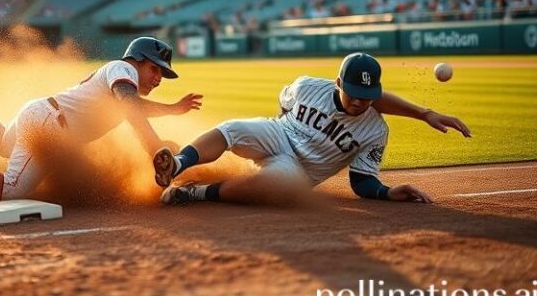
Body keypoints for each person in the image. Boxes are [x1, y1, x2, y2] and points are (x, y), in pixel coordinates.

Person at [0, 37, 202, 214]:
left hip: (41, 113)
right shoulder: (123, 70)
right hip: (49, 125)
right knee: (13, 193)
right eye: (155, 69)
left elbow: (132, 105)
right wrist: (155, 148)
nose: (159, 77)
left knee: (4, 146)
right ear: (137, 60)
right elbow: (131, 107)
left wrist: (172, 110)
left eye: (163, 73)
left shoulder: (123, 83)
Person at [153, 52, 471, 206]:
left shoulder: (376, 131)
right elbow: (285, 104)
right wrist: (273, 135)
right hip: (279, 132)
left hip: (299, 170)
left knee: (277, 186)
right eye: (354, 95)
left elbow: (361, 182)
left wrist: (387, 192)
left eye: (368, 97)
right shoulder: (307, 86)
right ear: (338, 84)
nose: (361, 102)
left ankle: (193, 192)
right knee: (232, 128)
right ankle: (177, 164)